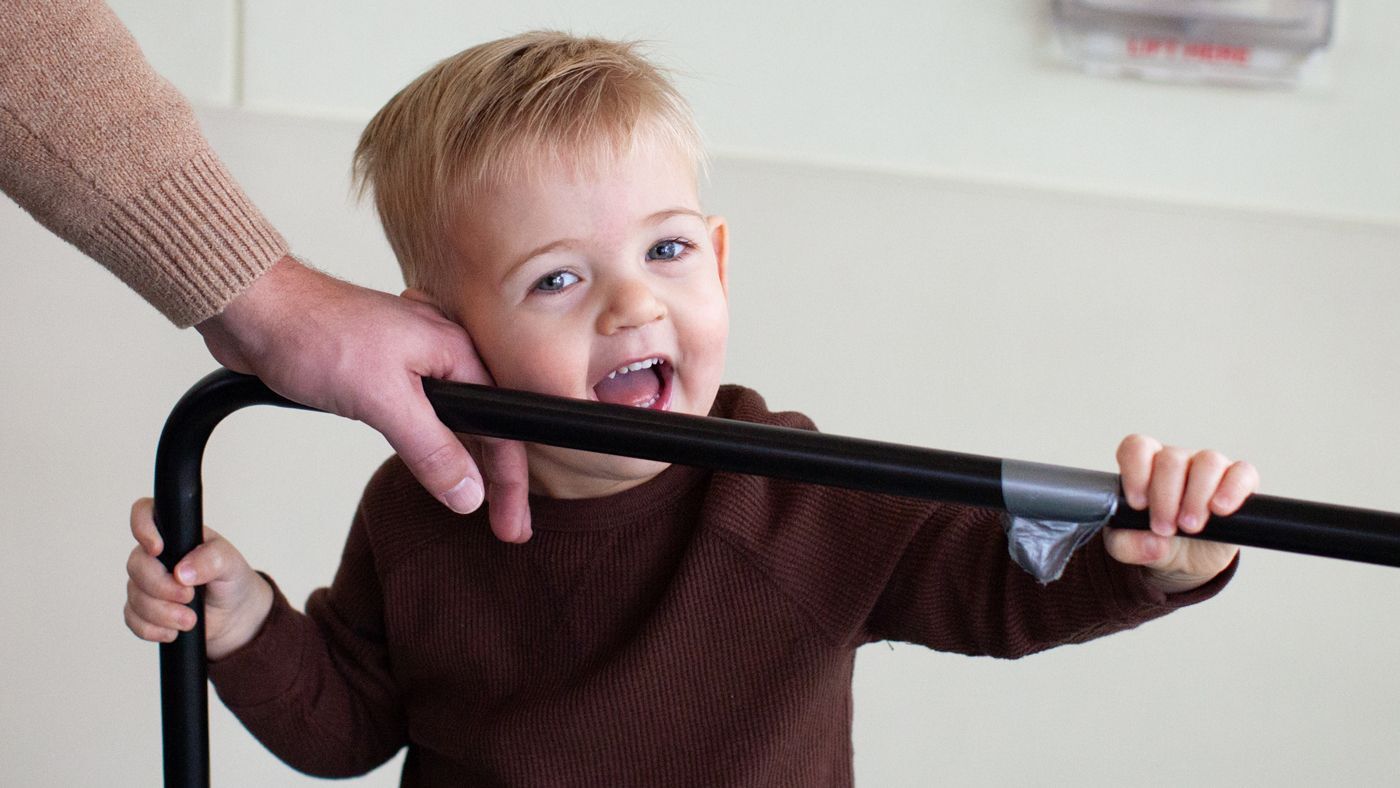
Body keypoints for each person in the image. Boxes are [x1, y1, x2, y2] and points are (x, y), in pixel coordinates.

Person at [122, 31, 1259, 785]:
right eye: (556, 279)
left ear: (717, 258)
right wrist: (245, 623)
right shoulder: (420, 503)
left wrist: (1157, 555)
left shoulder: (791, 490)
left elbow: (995, 583)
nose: (632, 303)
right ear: (443, 332)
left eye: (665, 250)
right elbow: (350, 725)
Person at [0, 0, 531, 541]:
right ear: (446, 327)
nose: (609, 309)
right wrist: (246, 597)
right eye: (555, 280)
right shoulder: (404, 506)